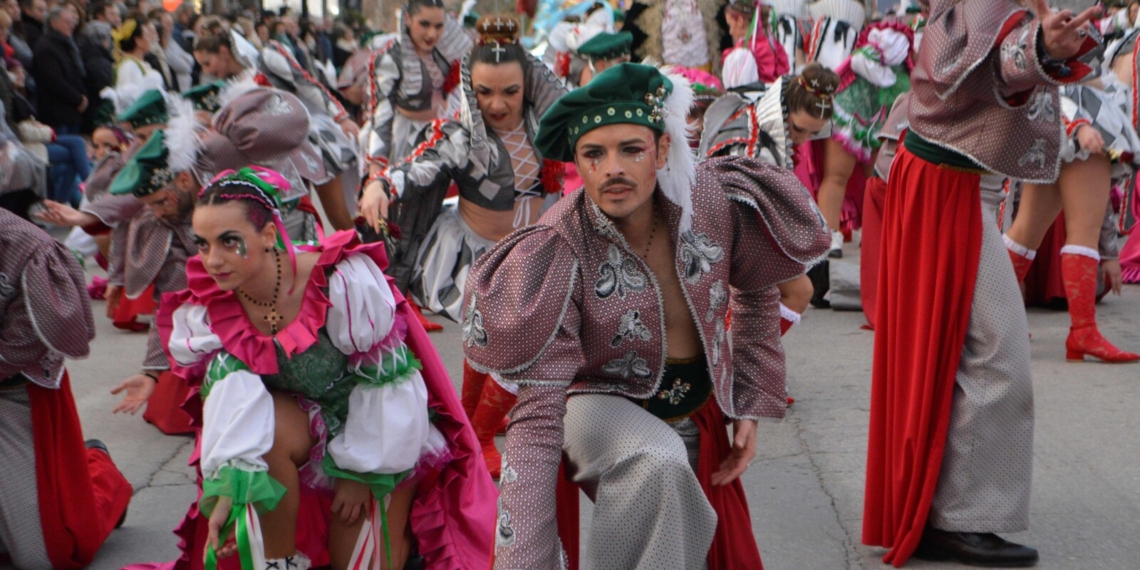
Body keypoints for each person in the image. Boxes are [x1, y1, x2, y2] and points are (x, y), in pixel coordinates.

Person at [463, 62, 830, 569]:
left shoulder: (709, 198)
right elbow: (539, 416)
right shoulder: (558, 246)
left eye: (631, 149)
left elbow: (757, 288)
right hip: (592, 404)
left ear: (660, 150)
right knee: (656, 462)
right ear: (578, 162)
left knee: (697, 540)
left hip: (697, 410)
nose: (613, 168)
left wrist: (748, 399)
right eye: (594, 153)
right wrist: (519, 560)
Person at [156, 166, 495, 570]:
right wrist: (227, 490)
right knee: (267, 427)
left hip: (378, 435)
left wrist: (360, 473)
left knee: (363, 560)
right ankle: (279, 562)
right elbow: (233, 405)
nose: (213, 260)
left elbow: (390, 381)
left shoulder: (339, 280)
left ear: (267, 235)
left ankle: (404, 547)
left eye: (230, 242)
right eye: (203, 244)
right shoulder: (211, 305)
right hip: (300, 427)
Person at [862, 0, 1102, 566]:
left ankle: (947, 508)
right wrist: (1041, 48)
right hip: (948, 186)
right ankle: (958, 517)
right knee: (1000, 355)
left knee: (980, 352)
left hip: (960, 183)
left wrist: (1046, 46)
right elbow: (963, 64)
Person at [359, 15, 567, 477]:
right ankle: (482, 430)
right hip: (478, 255)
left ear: (527, 85)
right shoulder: (461, 136)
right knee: (506, 339)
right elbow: (419, 166)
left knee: (505, 342)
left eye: (510, 91)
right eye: (486, 91)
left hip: (540, 249)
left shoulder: (550, 126)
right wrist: (381, 185)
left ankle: (475, 425)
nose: (497, 104)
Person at [0, 208, 133, 570]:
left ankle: (100, 475)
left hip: (13, 392)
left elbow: (32, 340)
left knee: (41, 556)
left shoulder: (26, 247)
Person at [699, 62, 838, 344]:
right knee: (799, 291)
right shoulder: (754, 149)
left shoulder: (762, 117)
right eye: (799, 129)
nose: (802, 139)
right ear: (785, 110)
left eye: (813, 134)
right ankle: (743, 362)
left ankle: (742, 362)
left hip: (731, 228)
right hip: (722, 232)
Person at [1002, 82, 1140, 362]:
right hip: (1078, 110)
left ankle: (989, 325)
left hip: (1047, 110)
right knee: (1081, 231)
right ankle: (1083, 332)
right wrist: (1076, 124)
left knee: (1024, 234)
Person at [192, 17, 360, 231]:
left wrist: (341, 117)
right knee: (301, 217)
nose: (207, 70)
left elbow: (306, 83)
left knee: (338, 217)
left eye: (207, 63)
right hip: (279, 158)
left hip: (309, 142)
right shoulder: (226, 87)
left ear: (224, 52)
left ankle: (367, 261)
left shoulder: (267, 56)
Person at [816, 20, 913, 257]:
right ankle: (828, 236)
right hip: (849, 112)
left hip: (882, 119)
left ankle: (876, 236)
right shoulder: (865, 56)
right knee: (838, 175)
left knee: (878, 181)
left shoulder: (904, 54)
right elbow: (866, 68)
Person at [363, 0, 472, 168]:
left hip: (448, 133)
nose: (432, 34)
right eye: (424, 24)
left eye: (438, 26)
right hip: (406, 139)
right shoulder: (392, 58)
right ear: (408, 19)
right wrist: (376, 166)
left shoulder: (445, 52)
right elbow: (382, 115)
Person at [32, 4, 86, 135]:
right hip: (57, 114)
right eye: (67, 22)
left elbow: (76, 75)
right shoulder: (45, 48)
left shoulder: (67, 44)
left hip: (72, 112)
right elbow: (55, 81)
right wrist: (78, 99)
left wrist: (83, 97)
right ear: (53, 23)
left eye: (73, 22)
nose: (72, 25)